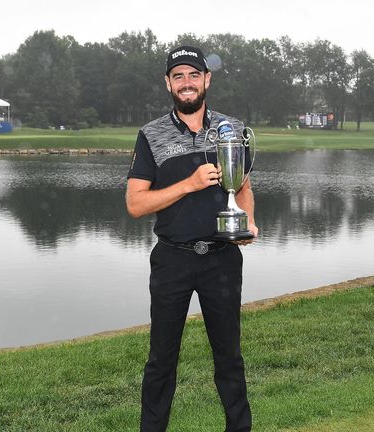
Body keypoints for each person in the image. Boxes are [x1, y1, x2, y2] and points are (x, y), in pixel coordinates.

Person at [126, 45, 257, 432]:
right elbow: (135, 204)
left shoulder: (231, 129)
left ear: (207, 80)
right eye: (178, 76)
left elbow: (244, 185)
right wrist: (189, 183)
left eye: (193, 75)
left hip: (222, 260)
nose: (187, 83)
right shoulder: (151, 135)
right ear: (168, 83)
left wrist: (247, 221)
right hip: (172, 260)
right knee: (161, 360)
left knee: (229, 358)